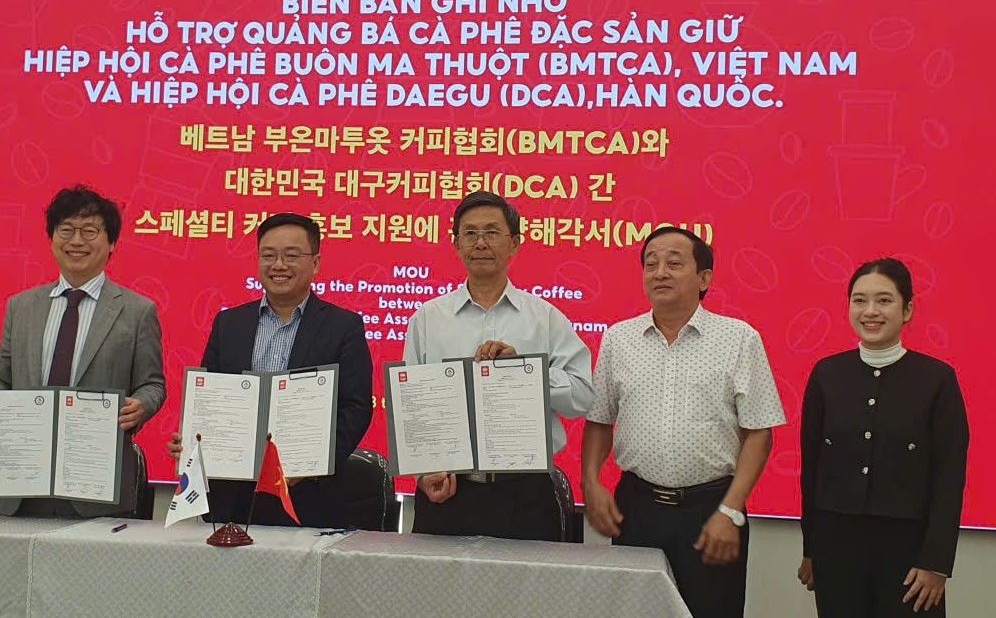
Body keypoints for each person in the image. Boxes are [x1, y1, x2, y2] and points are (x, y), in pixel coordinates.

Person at [582, 226, 786, 618]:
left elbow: (759, 432)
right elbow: (600, 420)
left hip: (711, 510)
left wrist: (731, 510)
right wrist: (590, 482)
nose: (660, 272)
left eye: (674, 263)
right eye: (651, 263)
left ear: (704, 278)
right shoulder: (618, 338)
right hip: (637, 509)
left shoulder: (738, 338)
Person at [0, 185, 165, 517]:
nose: (76, 241)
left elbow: (152, 384)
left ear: (112, 242)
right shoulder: (21, 307)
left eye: (89, 231)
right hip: (22, 482)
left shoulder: (137, 311)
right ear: (52, 239)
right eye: (66, 230)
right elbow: (0, 379)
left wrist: (142, 405)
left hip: (96, 485)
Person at [402, 191, 594, 542]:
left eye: (492, 232)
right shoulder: (428, 319)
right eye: (470, 233)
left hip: (525, 492)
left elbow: (582, 397)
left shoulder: (544, 318)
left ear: (514, 243)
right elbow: (412, 408)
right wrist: (423, 473)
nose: (480, 243)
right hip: (447, 490)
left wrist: (525, 374)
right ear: (456, 244)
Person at [168, 213, 372, 529]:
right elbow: (209, 399)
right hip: (232, 495)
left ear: (315, 263)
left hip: (306, 494)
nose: (278, 265)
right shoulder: (229, 324)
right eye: (268, 255)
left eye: (291, 256)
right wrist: (192, 440)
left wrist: (312, 464)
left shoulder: (343, 326)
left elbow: (355, 409)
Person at [797, 258, 968, 617]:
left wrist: (936, 562)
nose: (870, 311)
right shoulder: (827, 374)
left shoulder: (937, 379)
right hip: (836, 549)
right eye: (859, 300)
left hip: (910, 555)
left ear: (907, 310)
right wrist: (810, 549)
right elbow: (811, 470)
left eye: (884, 300)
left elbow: (949, 478)